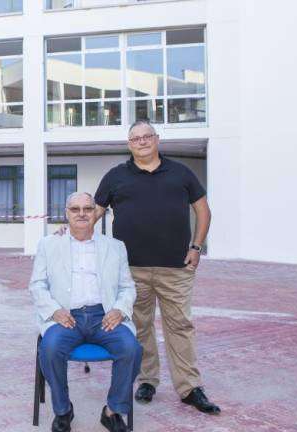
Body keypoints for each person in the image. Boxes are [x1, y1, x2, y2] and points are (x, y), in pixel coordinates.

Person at [93, 119, 220, 414]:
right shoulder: (115, 176)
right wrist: (69, 231)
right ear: (129, 144)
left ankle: (189, 388)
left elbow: (203, 210)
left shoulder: (181, 173)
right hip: (131, 270)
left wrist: (196, 247)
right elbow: (94, 213)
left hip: (176, 268)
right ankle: (147, 380)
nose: (142, 142)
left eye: (147, 136)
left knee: (180, 326)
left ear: (157, 139)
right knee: (139, 327)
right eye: (135, 138)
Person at [30, 192, 142, 432]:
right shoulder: (48, 245)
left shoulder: (115, 247)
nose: (82, 213)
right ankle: (63, 411)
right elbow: (37, 285)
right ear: (66, 214)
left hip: (105, 317)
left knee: (131, 349)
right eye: (75, 209)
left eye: (87, 209)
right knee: (49, 348)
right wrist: (54, 311)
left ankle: (112, 411)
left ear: (96, 213)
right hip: (66, 317)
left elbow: (127, 287)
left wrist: (120, 310)